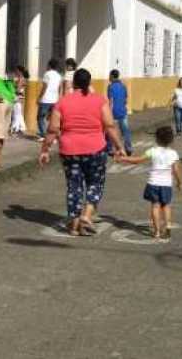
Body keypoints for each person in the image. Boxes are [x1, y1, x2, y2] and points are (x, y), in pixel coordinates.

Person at [39, 69, 126, 237]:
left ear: (74, 83)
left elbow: (53, 129)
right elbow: (109, 125)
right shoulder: (100, 100)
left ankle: (74, 226)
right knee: (95, 183)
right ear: (89, 83)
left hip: (69, 150)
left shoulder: (63, 102)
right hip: (95, 149)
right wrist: (119, 146)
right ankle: (86, 215)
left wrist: (45, 150)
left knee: (74, 186)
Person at [116, 126, 182, 241]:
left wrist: (123, 159)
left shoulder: (152, 151)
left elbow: (137, 160)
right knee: (166, 206)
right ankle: (167, 228)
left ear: (156, 138)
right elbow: (176, 170)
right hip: (166, 184)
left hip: (153, 183)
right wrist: (179, 182)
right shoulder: (173, 154)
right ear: (171, 140)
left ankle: (156, 231)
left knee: (155, 206)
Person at [106, 69, 133, 155]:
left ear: (112, 76)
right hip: (123, 111)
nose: (109, 77)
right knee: (125, 131)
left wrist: (109, 113)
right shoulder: (123, 86)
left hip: (114, 111)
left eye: (109, 75)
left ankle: (110, 149)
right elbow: (125, 99)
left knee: (110, 130)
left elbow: (111, 101)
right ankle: (129, 148)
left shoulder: (110, 87)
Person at [37, 59, 62, 141]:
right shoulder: (59, 75)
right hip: (54, 99)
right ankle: (52, 136)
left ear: (49, 65)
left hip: (45, 100)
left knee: (40, 117)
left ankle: (43, 135)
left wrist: (39, 97)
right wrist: (58, 98)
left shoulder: (47, 74)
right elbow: (59, 88)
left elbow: (44, 87)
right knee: (52, 119)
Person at [10, 65, 29, 135]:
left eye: (16, 70)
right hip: (19, 97)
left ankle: (15, 128)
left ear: (19, 71)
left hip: (18, 97)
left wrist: (13, 86)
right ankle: (22, 128)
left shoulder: (21, 79)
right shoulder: (21, 78)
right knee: (18, 113)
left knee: (16, 113)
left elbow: (18, 89)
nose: (15, 72)